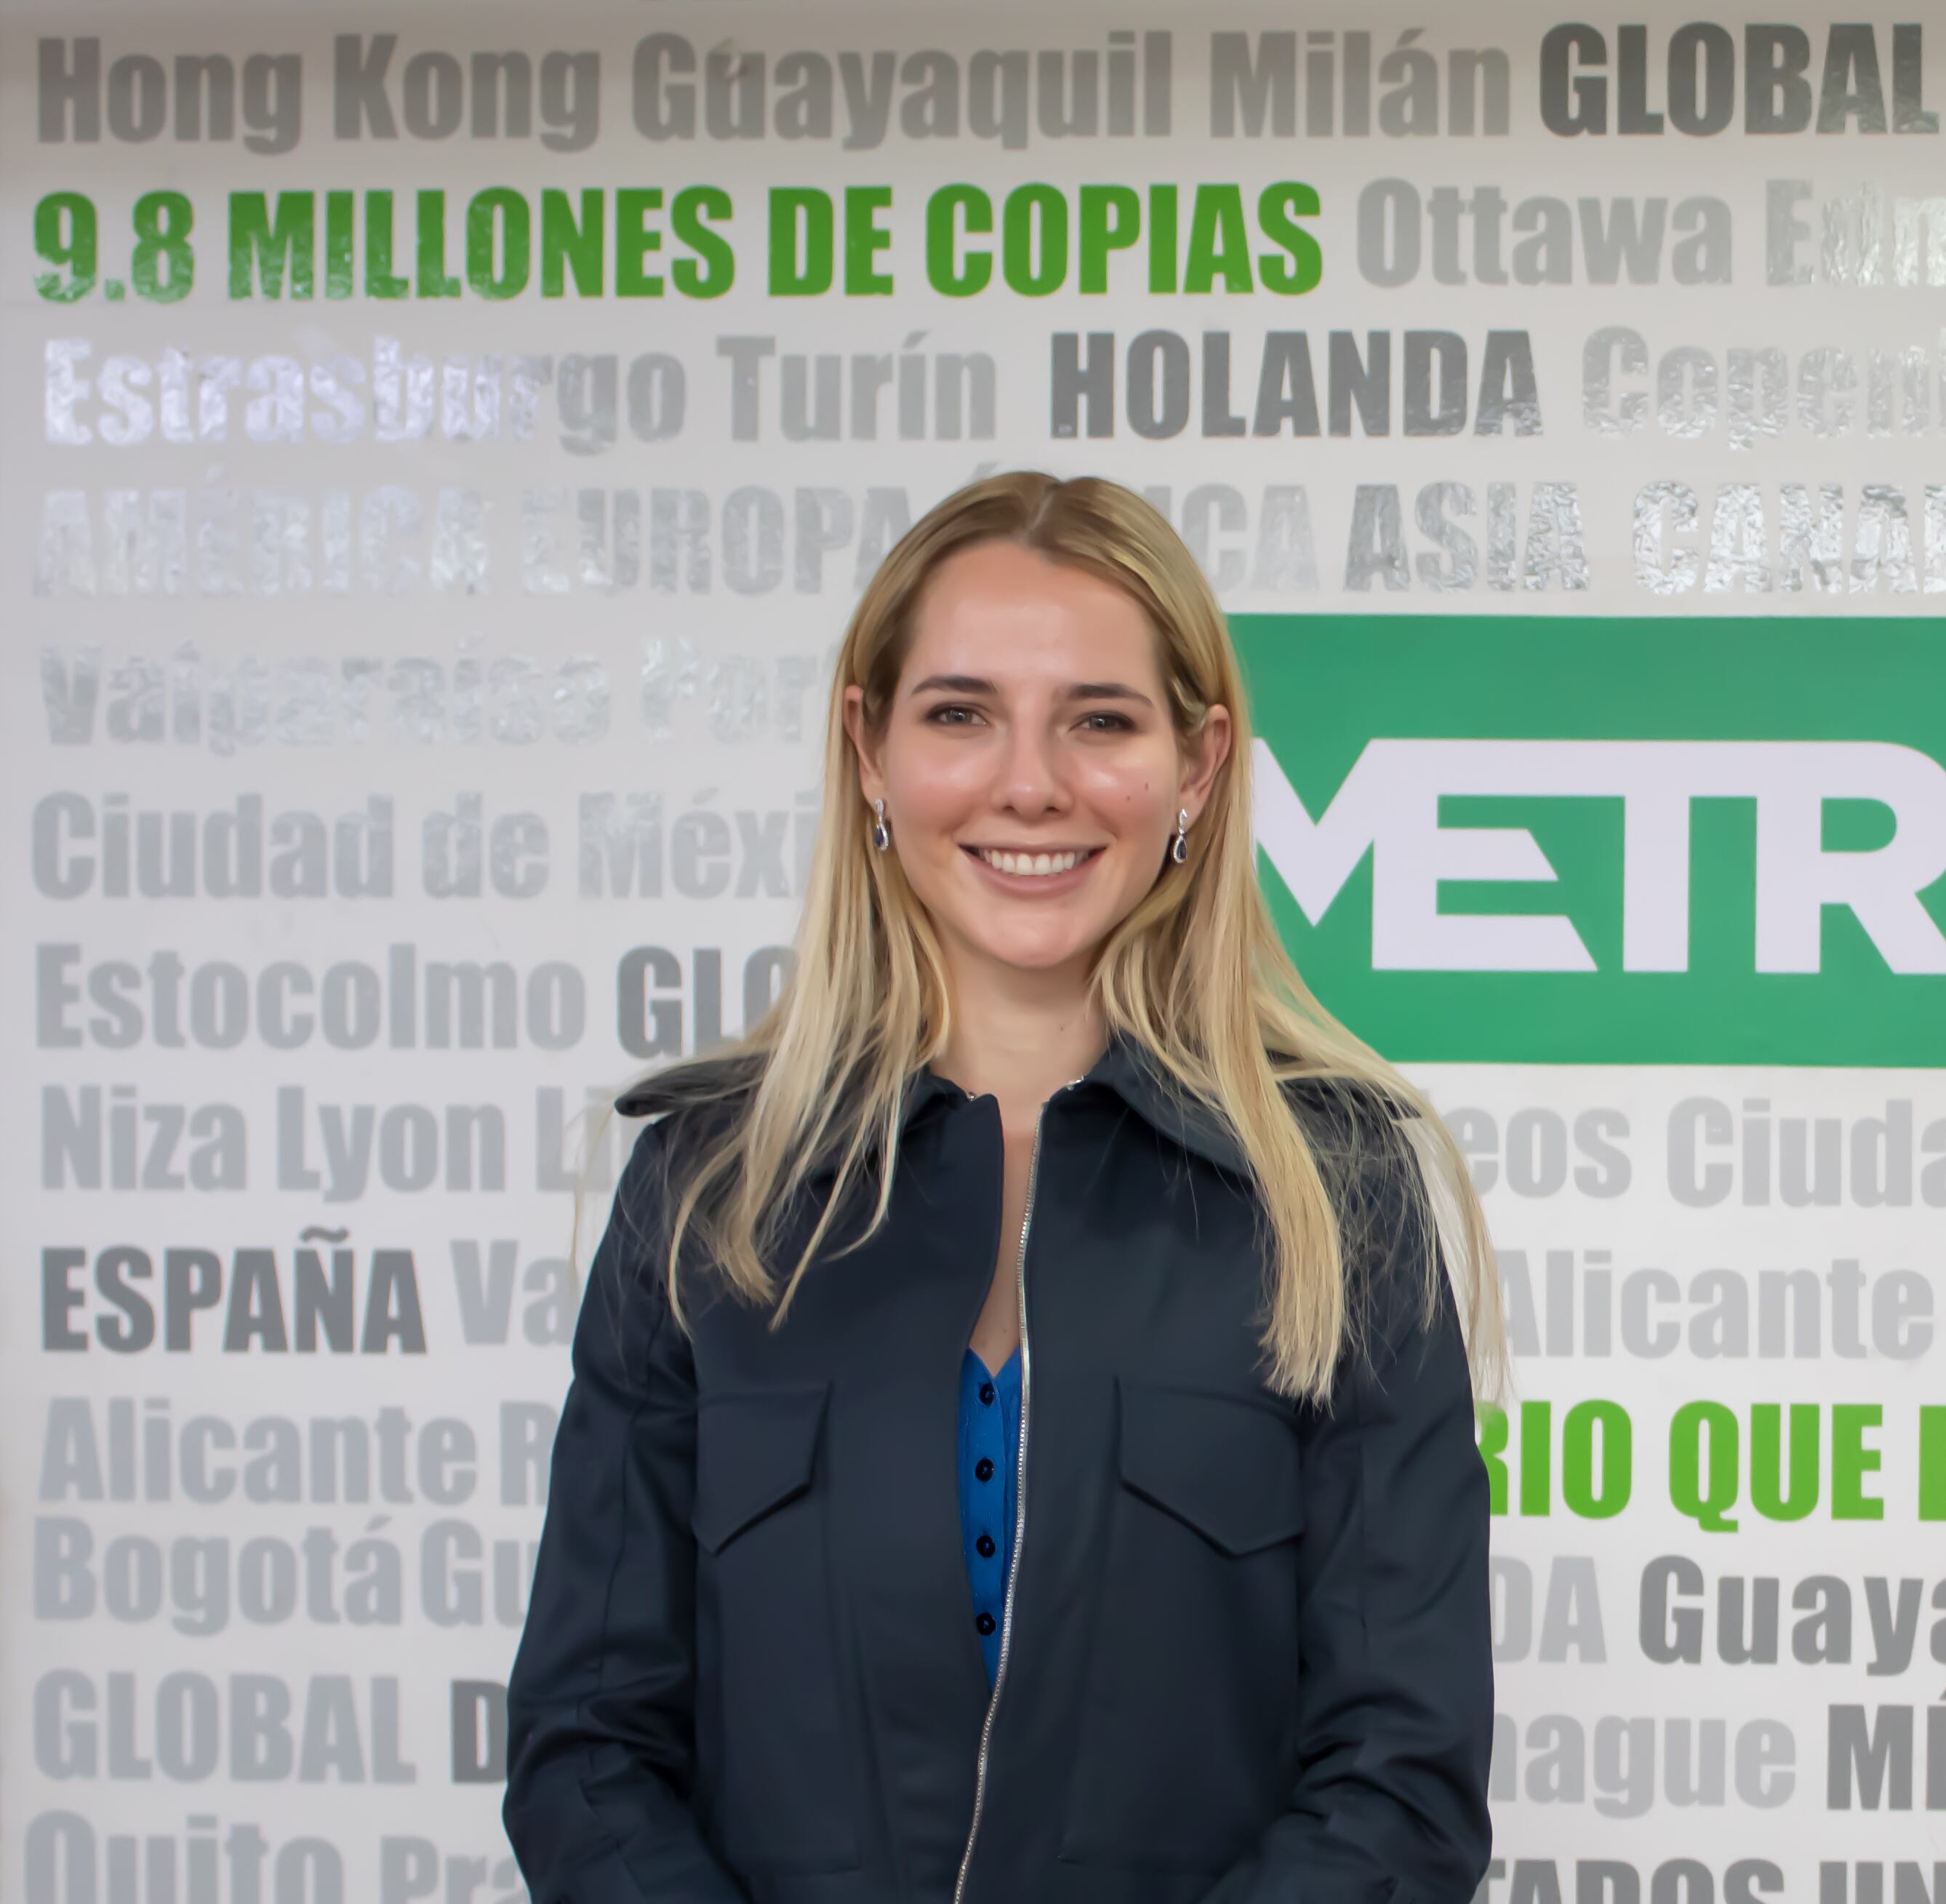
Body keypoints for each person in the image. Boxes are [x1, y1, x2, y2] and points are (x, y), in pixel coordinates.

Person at [503, 471, 1502, 1904]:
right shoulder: (705, 1192)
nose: (1031, 782)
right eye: (961, 713)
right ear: (869, 747)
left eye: (1100, 719)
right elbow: (588, 1752)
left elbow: (1398, 1787)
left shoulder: (1337, 1196)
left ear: (1199, 765)